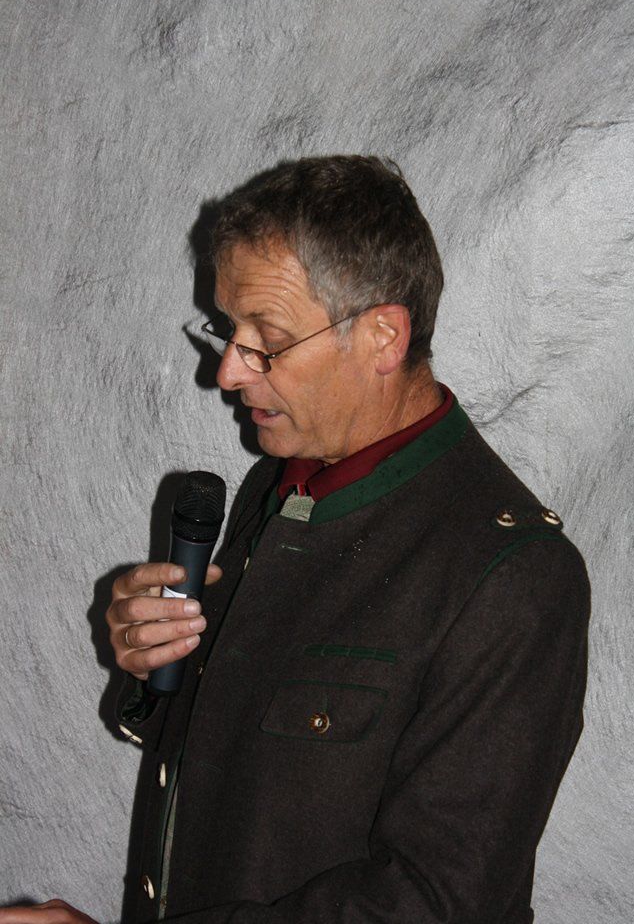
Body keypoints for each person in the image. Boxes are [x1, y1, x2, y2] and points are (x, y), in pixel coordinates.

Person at [0, 156, 590, 924]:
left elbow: (434, 904)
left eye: (267, 341)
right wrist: (153, 665)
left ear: (383, 336)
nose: (227, 374)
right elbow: (245, 762)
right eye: (226, 330)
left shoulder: (514, 575)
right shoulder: (285, 485)